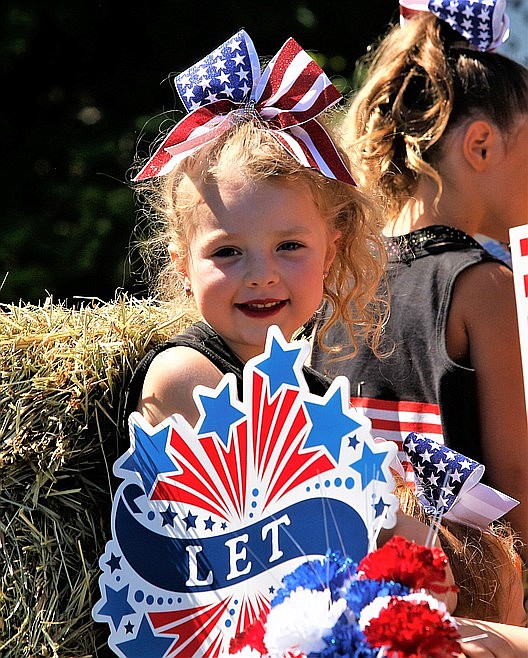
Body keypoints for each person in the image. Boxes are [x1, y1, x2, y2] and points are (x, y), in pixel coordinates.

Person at [311, 0, 528, 564]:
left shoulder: (336, 276)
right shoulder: (487, 288)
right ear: (481, 145)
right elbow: (517, 478)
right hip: (465, 602)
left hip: (348, 582)